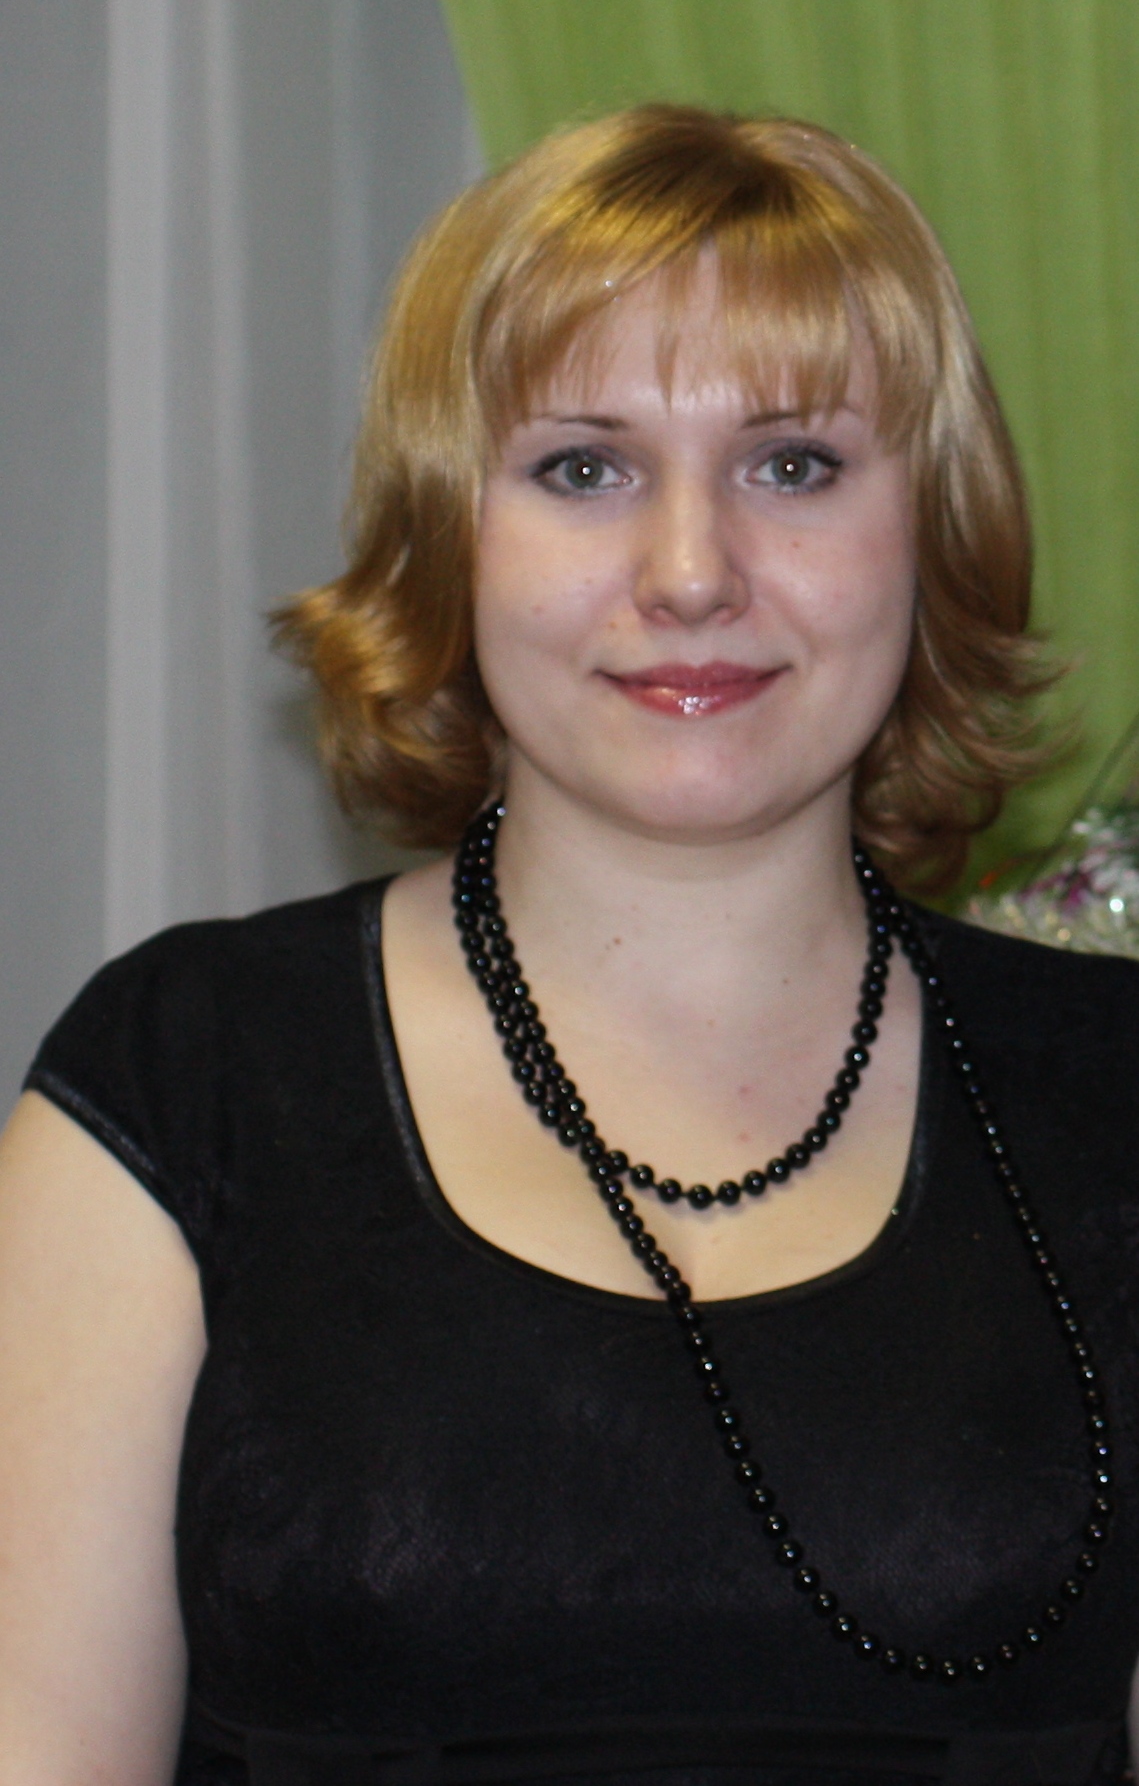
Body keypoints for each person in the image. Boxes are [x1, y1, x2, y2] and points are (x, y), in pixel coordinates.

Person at [0, 103, 1136, 1786]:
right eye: (583, 468)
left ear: (935, 526)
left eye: (793, 464)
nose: (691, 572)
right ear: (448, 532)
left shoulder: (1115, 1093)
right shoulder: (183, 1082)